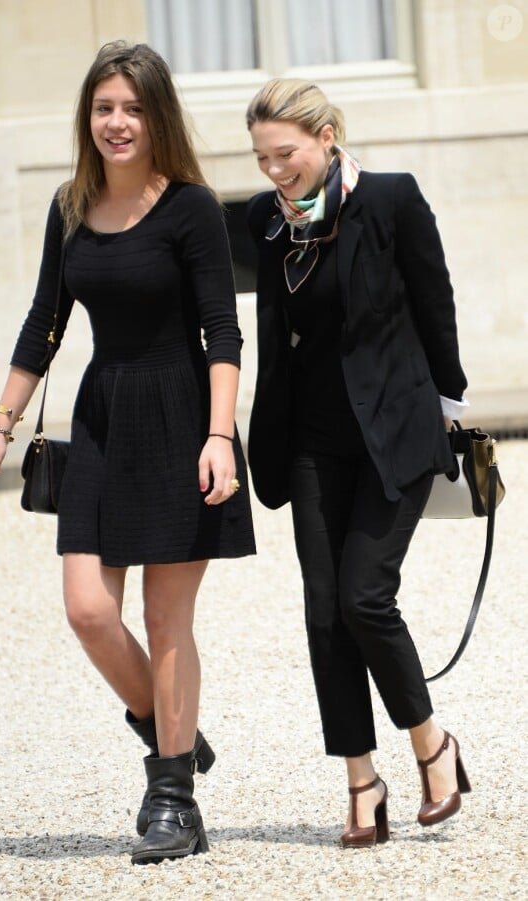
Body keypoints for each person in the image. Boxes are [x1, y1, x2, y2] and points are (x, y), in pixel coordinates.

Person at [0, 40, 256, 866]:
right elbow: (43, 325)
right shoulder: (70, 205)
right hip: (101, 417)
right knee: (89, 610)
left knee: (168, 620)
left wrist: (218, 435)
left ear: (156, 114)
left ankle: (173, 799)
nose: (117, 122)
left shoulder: (192, 207)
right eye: (103, 108)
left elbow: (223, 331)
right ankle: (175, 734)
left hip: (180, 414)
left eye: (131, 107)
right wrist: (1, 425)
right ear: (86, 117)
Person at [245, 78, 471, 848]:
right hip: (309, 441)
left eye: (288, 154)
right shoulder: (265, 223)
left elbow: (433, 298)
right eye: (262, 157)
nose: (276, 171)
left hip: (395, 432)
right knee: (323, 613)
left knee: (363, 596)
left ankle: (432, 745)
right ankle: (361, 783)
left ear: (328, 135)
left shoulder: (390, 200)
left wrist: (453, 405)